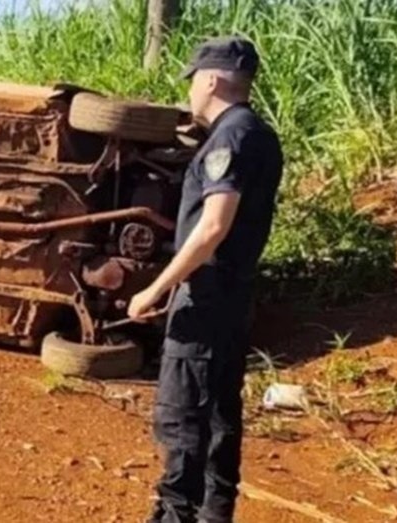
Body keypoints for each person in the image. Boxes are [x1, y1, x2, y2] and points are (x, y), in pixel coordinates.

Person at [127, 37, 283, 523]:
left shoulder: (229, 138)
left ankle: (176, 515)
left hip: (207, 298)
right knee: (218, 415)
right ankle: (215, 514)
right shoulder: (258, 134)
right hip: (233, 297)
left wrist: (155, 288)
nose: (191, 92)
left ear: (212, 80)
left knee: (182, 416)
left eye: (194, 80)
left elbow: (213, 226)